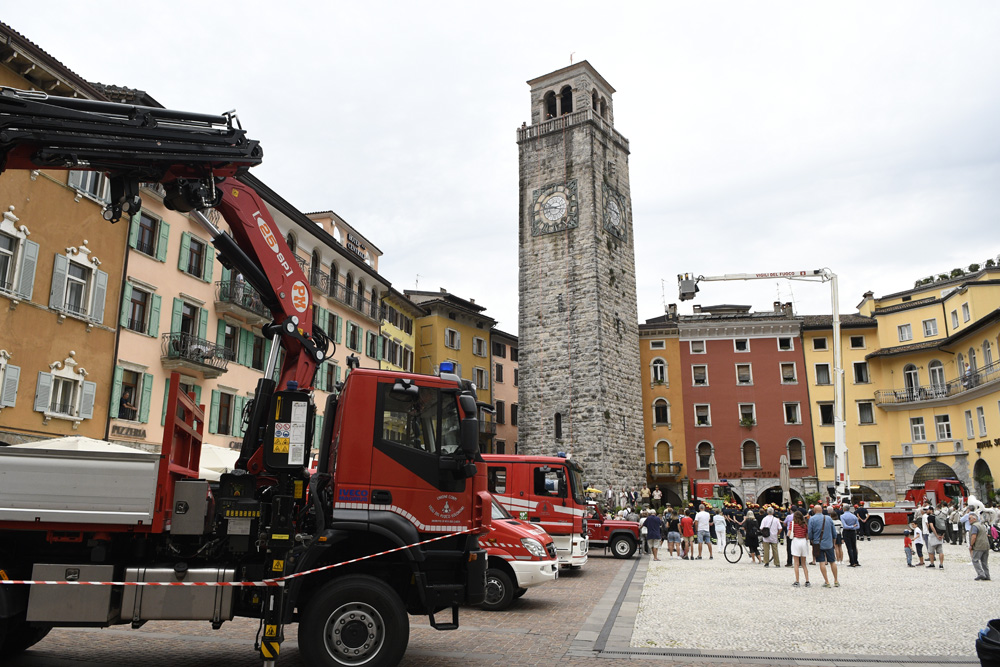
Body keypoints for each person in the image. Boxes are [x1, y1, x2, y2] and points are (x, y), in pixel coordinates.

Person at [808, 506, 839, 587]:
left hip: (818, 544)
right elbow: (834, 533)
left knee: (822, 562)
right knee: (832, 562)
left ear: (814, 511)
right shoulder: (828, 518)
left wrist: (811, 539)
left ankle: (827, 581)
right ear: (821, 510)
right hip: (829, 543)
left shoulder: (812, 519)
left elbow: (810, 533)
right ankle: (836, 580)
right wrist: (833, 542)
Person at [790, 510, 810, 587]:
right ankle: (807, 580)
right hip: (803, 541)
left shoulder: (792, 524)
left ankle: (797, 581)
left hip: (796, 541)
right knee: (804, 563)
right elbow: (807, 535)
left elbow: (789, 534)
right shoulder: (804, 524)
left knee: (796, 563)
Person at [969, 513, 991, 581]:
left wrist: (971, 545)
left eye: (969, 518)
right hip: (986, 545)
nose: (968, 520)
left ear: (974, 519)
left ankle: (981, 573)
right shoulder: (982, 525)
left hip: (978, 546)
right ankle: (987, 575)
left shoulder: (974, 526)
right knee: (984, 561)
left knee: (975, 560)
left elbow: (974, 536)